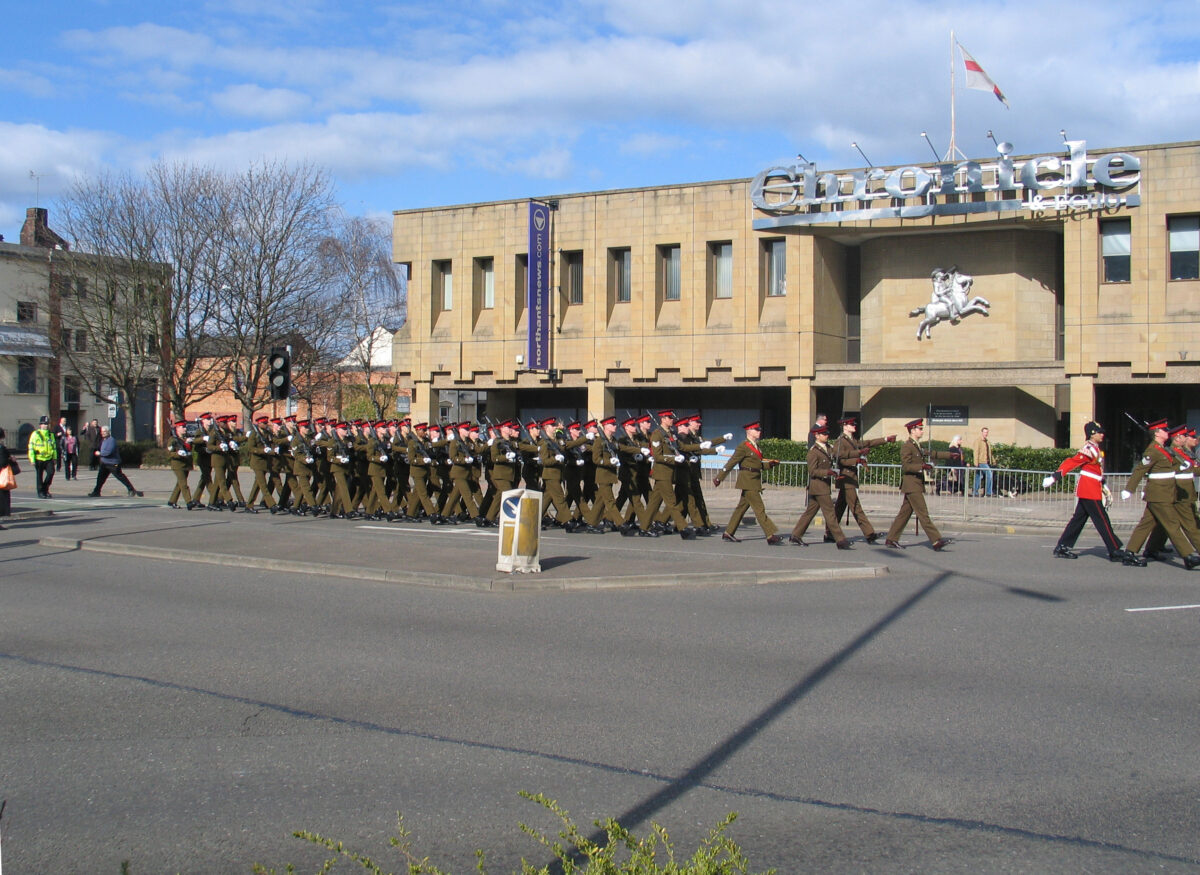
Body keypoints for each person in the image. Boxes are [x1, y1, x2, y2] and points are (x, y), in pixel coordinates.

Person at [1043, 421, 1140, 564]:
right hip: (1089, 489)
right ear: (1092, 433)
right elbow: (1072, 462)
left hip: (1092, 487)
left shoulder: (1096, 449)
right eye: (1099, 432)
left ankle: (1062, 546)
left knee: (1078, 519)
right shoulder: (1089, 449)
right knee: (1102, 520)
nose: (1102, 434)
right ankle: (1114, 550)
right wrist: (1055, 476)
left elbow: (1097, 470)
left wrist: (1104, 485)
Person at [1121, 419, 1200, 569]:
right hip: (1158, 494)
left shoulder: (1163, 449)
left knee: (1146, 524)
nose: (1167, 432)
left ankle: (1129, 553)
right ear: (1157, 433)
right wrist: (1129, 489)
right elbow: (1140, 470)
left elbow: (1172, 466)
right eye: (1164, 430)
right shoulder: (1153, 450)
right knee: (1172, 524)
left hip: (1165, 493)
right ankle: (1188, 555)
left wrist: (1184, 465)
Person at [885, 418, 953, 550]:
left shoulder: (917, 445)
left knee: (904, 514)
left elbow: (931, 453)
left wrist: (950, 455)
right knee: (923, 513)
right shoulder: (907, 446)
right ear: (912, 430)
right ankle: (936, 540)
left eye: (922, 429)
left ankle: (891, 539)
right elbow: (906, 466)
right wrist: (921, 466)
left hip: (915, 484)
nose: (922, 431)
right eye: (920, 429)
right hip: (912, 485)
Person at [713, 420, 785, 544]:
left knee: (741, 508)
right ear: (749, 431)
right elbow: (732, 462)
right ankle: (770, 535)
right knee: (759, 508)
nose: (759, 432)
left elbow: (758, 465)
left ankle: (728, 532)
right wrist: (719, 477)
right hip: (747, 481)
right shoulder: (743, 446)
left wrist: (770, 464)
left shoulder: (756, 446)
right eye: (756, 430)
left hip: (754, 480)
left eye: (759, 430)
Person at [830, 415, 896, 543]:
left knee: (839, 507)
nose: (854, 426)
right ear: (845, 426)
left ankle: (829, 532)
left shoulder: (852, 440)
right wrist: (857, 458)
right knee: (855, 506)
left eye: (854, 424)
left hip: (851, 477)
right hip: (846, 477)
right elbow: (840, 458)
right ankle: (869, 533)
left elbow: (868, 443)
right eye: (851, 424)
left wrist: (886, 439)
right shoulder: (840, 441)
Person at [789, 422, 852, 548]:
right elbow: (812, 471)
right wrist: (827, 472)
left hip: (824, 485)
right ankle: (840, 539)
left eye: (827, 433)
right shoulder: (813, 452)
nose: (826, 435)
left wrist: (858, 454)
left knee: (809, 513)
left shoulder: (828, 448)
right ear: (817, 436)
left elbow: (840, 454)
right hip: (819, 486)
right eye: (823, 434)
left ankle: (796, 535)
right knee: (830, 514)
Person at [88, 426, 144, 497]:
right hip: (104, 463)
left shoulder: (111, 440)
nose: (102, 433)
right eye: (102, 431)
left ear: (108, 432)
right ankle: (96, 492)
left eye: (104, 431)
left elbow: (108, 452)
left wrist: (99, 453)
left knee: (120, 476)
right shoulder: (103, 440)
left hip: (113, 463)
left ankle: (131, 489)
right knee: (100, 478)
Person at [28, 416, 58, 498]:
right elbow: (31, 447)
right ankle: (40, 492)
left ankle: (45, 489)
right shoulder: (35, 434)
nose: (46, 426)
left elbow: (54, 447)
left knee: (51, 473)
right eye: (44, 424)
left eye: (47, 424)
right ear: (40, 425)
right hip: (39, 458)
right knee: (39, 476)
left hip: (48, 458)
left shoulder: (50, 434)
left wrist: (55, 458)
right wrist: (32, 459)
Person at [0, 427, 18, 525]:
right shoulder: (1, 449)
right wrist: (11, 460)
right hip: (1, 479)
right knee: (2, 501)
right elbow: (2, 462)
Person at [972, 426, 995, 496]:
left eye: (987, 432)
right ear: (982, 432)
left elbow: (990, 453)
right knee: (989, 474)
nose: (986, 433)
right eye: (985, 432)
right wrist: (976, 462)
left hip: (986, 461)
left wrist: (993, 461)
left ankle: (975, 491)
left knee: (978, 476)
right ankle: (988, 492)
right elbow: (975, 452)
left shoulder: (987, 442)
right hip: (981, 461)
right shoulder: (978, 441)